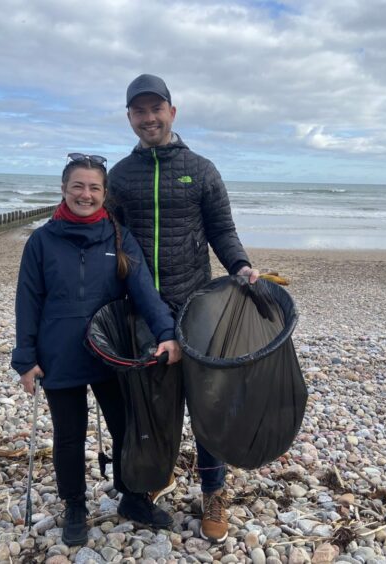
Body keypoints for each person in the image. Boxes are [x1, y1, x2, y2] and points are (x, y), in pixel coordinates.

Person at [108, 74, 259, 543]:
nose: (149, 118)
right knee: (152, 404)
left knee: (206, 403)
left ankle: (213, 492)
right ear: (129, 117)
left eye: (157, 109)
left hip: (196, 304)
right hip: (142, 308)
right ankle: (154, 480)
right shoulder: (119, 176)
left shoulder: (202, 169)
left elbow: (222, 230)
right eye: (139, 111)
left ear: (173, 112)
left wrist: (241, 265)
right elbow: (106, 240)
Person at [12, 153, 181, 547]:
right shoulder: (42, 241)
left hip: (110, 355)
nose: (85, 194)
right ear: (63, 189)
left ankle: (133, 497)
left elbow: (144, 291)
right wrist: (25, 359)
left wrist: (166, 333)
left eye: (94, 188)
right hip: (58, 355)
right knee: (68, 436)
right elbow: (28, 301)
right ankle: (74, 505)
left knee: (126, 429)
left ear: (104, 194)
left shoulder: (118, 237)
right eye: (78, 186)